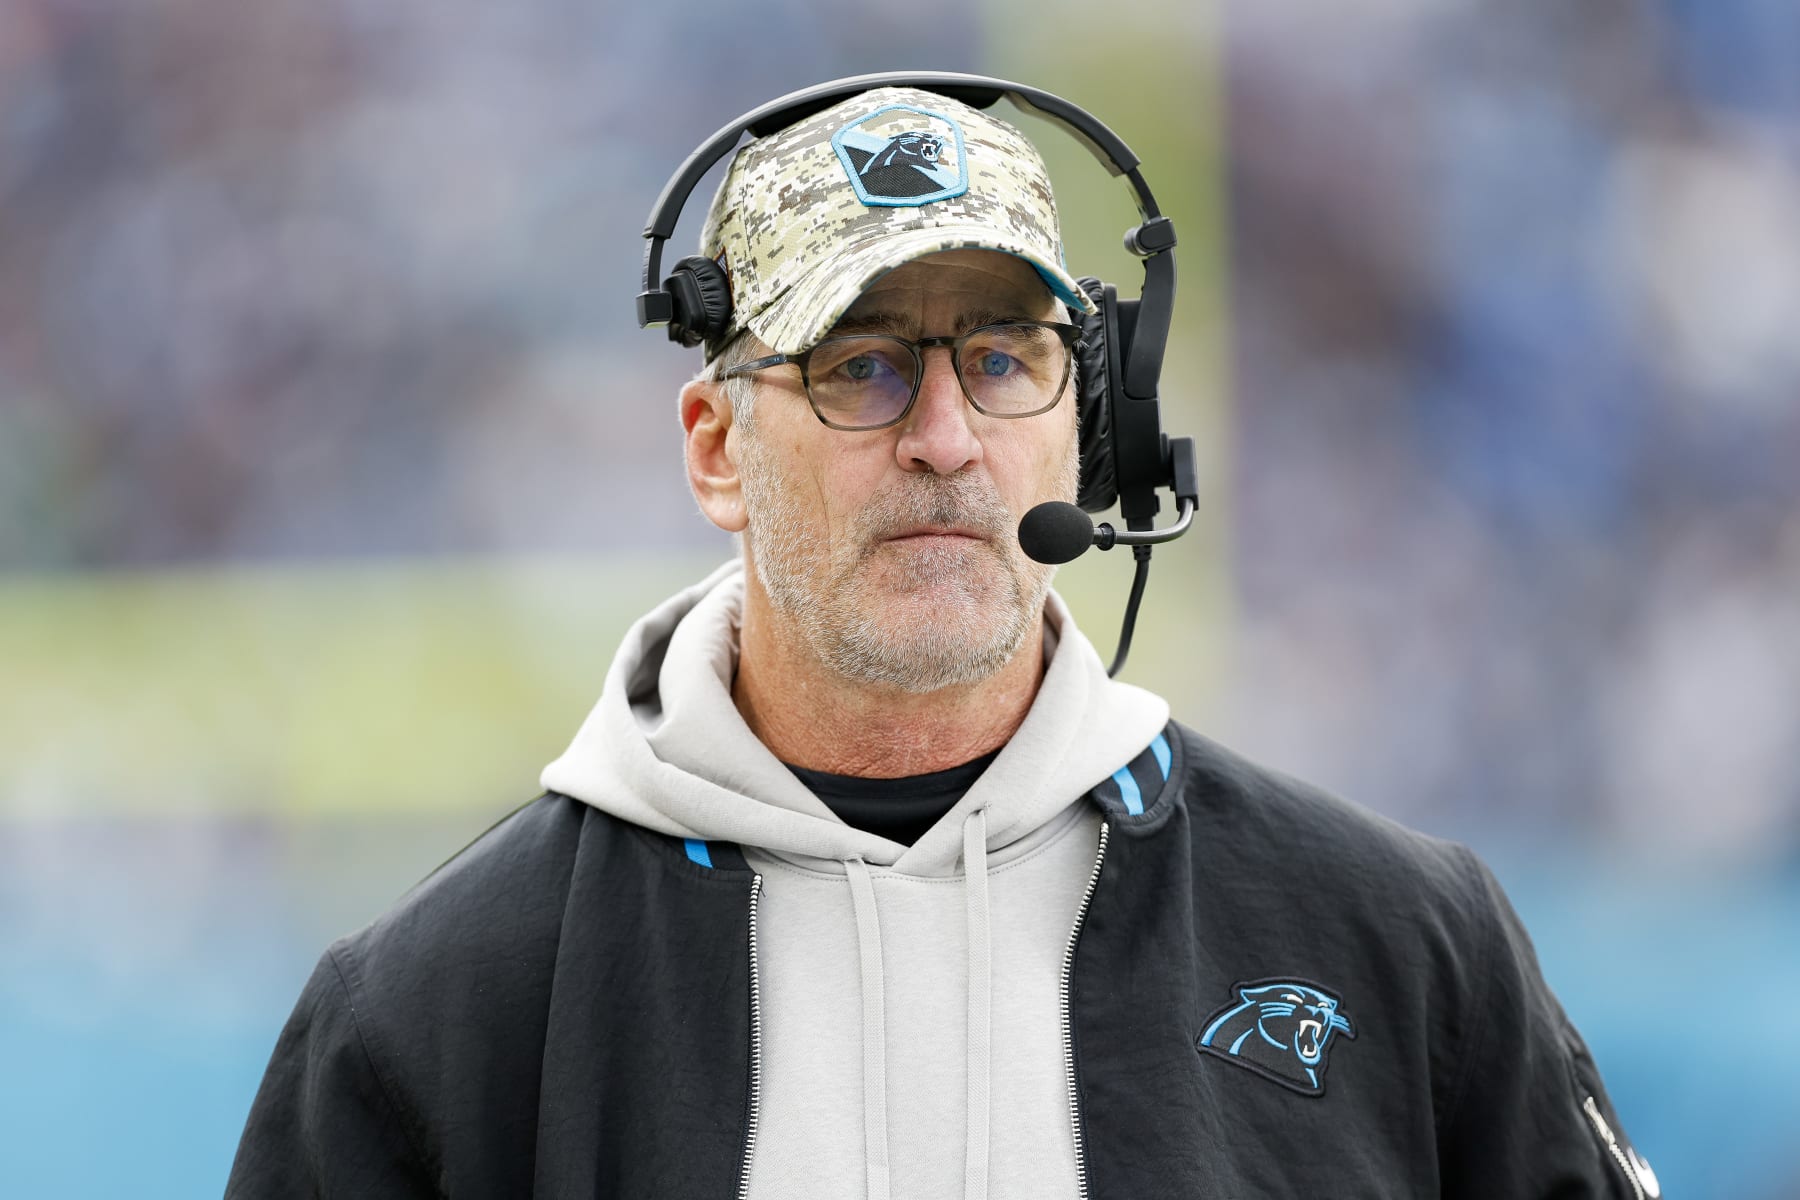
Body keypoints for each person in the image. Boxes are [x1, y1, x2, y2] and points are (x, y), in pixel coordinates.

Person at [226, 81, 1656, 1198]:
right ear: (717, 447)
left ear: (1089, 425)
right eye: (861, 368)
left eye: (1002, 360)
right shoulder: (434, 1012)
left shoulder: (1399, 948)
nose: (946, 439)